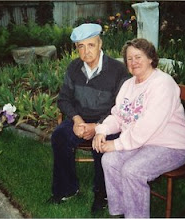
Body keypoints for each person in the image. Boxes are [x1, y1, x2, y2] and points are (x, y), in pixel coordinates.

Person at [92, 38, 185, 218]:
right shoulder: (128, 84)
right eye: (129, 59)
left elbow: (148, 125)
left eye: (138, 57)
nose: (134, 62)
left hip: (172, 145)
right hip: (143, 142)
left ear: (150, 58)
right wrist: (102, 130)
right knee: (109, 161)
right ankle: (122, 211)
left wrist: (116, 144)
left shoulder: (163, 83)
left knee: (133, 171)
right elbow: (118, 115)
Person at [48, 23, 129, 213]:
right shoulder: (74, 68)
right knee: (60, 136)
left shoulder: (118, 70)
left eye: (90, 45)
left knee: (103, 143)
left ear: (100, 43)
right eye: (81, 47)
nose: (86, 51)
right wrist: (76, 120)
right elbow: (64, 99)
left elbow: (120, 108)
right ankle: (67, 189)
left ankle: (102, 194)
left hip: (107, 123)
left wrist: (97, 126)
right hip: (80, 121)